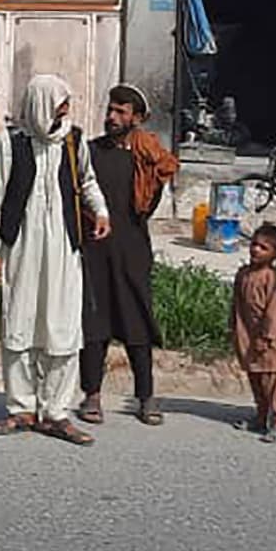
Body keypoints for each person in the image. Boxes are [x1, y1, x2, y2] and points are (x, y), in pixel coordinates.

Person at [0, 75, 111, 445]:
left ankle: (56, 413)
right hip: (20, 246)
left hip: (63, 246)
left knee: (63, 327)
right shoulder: (10, 143)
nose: (65, 110)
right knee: (18, 322)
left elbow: (87, 182)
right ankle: (21, 408)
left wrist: (100, 212)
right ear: (41, 106)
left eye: (65, 103)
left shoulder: (74, 140)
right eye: (59, 103)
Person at [79, 84, 180, 427]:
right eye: (111, 109)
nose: (112, 117)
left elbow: (147, 205)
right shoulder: (89, 152)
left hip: (132, 248)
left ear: (137, 118)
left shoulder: (146, 159)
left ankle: (146, 397)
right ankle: (91, 395)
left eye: (121, 112)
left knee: (137, 321)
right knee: (94, 322)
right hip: (94, 248)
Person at [230, 224, 276, 444]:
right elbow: (236, 305)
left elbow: (275, 311)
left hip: (271, 341)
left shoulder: (274, 278)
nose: (256, 250)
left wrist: (266, 337)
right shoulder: (244, 274)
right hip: (248, 336)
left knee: (275, 382)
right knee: (256, 378)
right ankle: (261, 416)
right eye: (254, 244)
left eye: (263, 247)